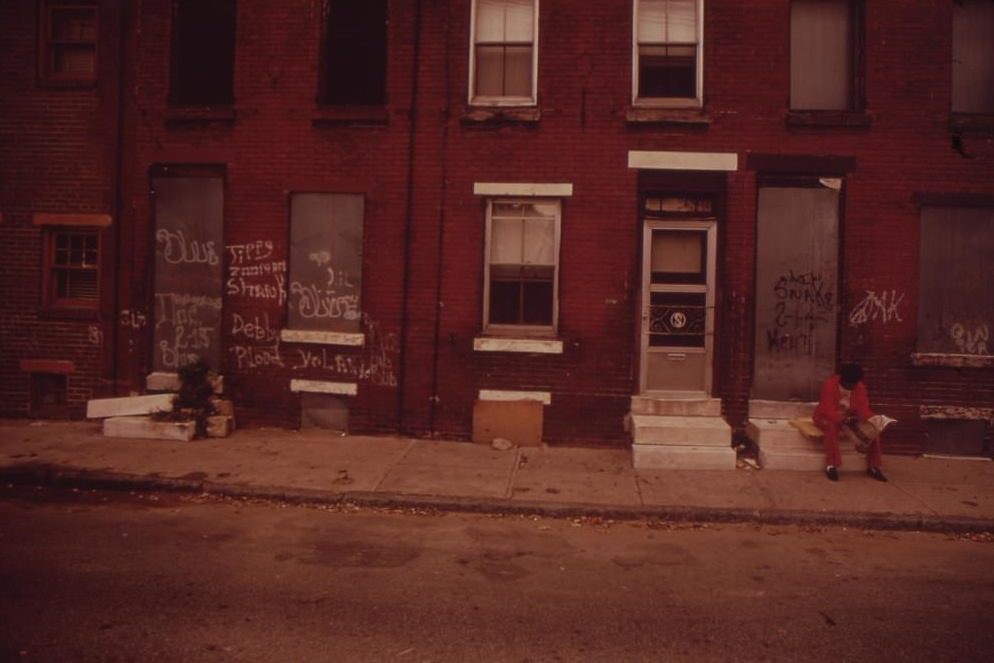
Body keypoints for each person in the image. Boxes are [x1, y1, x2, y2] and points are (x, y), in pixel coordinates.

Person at [812, 363, 886, 483]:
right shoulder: (829, 385)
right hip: (825, 417)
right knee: (831, 428)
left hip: (848, 419)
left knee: (874, 432)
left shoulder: (859, 387)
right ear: (842, 380)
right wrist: (842, 420)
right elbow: (828, 408)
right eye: (850, 384)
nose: (853, 386)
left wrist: (874, 420)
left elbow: (863, 408)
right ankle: (831, 465)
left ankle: (873, 466)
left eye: (855, 383)